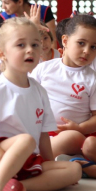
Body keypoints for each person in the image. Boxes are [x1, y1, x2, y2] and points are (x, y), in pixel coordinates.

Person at [0, 17, 81, 191]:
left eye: (35, 45)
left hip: (27, 160)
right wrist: (2, 160)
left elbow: (44, 136)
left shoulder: (39, 90)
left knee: (73, 170)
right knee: (26, 140)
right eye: (21, 45)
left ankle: (18, 186)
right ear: (2, 53)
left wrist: (49, 166)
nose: (30, 49)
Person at [30, 14, 96, 179]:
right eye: (81, 43)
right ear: (65, 41)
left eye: (94, 47)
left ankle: (35, 163)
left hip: (75, 134)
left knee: (83, 142)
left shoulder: (92, 79)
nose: (87, 51)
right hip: (42, 131)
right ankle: (73, 163)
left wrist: (80, 128)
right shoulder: (43, 69)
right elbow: (28, 100)